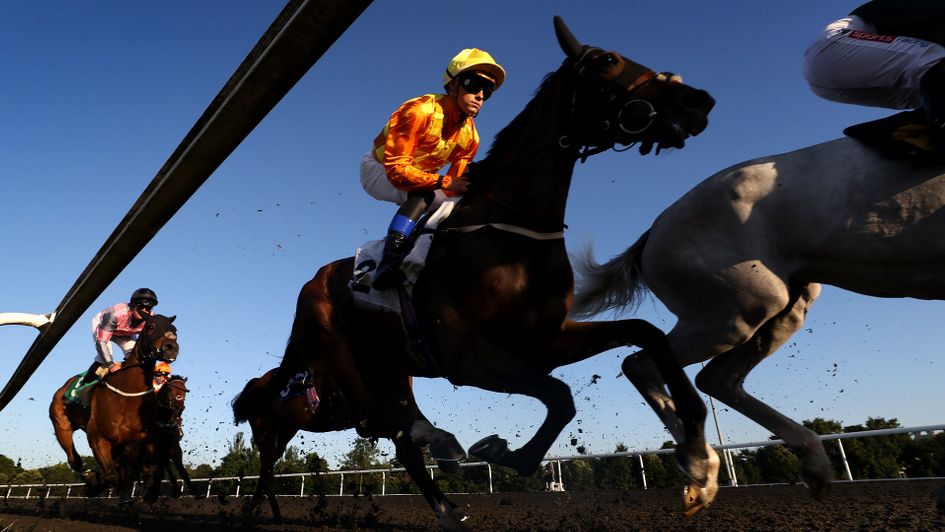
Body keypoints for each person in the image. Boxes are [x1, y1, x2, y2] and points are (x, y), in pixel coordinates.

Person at [361, 48, 506, 289]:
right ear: (453, 85)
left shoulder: (471, 137)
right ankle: (389, 259)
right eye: (474, 84)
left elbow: (452, 189)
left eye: (487, 90)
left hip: (418, 177)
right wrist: (445, 182)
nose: (480, 95)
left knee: (459, 203)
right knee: (424, 193)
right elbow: (398, 172)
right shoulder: (419, 111)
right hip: (379, 168)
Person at [803, 1, 945, 137]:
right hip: (836, 44)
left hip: (831, 71)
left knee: (928, 93)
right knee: (933, 61)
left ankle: (893, 134)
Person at [79, 288, 159, 385]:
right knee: (103, 358)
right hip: (104, 326)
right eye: (141, 306)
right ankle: (85, 384)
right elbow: (101, 342)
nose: (144, 311)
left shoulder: (150, 319)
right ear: (133, 305)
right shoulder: (115, 313)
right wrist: (111, 365)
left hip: (126, 332)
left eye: (148, 308)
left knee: (135, 355)